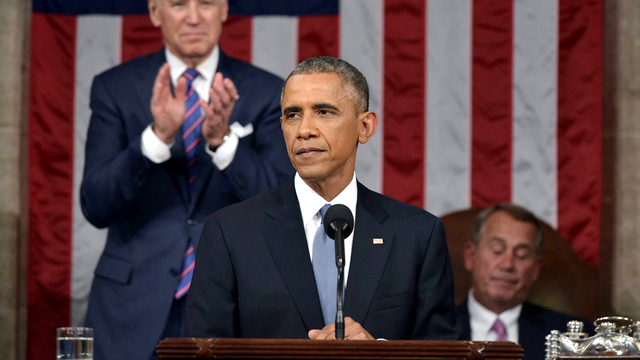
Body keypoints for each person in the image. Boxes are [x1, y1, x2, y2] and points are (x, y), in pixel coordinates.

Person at [185, 56, 460, 341]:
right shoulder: (230, 233)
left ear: (365, 127)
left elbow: (441, 350)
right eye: (292, 115)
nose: (304, 130)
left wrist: (379, 354)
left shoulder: (417, 235)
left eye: (324, 112)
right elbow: (203, 350)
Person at [79, 0, 293, 358]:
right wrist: (155, 139)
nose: (194, 17)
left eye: (206, 3)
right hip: (131, 309)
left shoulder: (268, 91)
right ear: (154, 12)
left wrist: (224, 142)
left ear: (224, 10)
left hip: (234, 304)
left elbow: (285, 207)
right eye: (179, 4)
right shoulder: (114, 88)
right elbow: (96, 205)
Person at [456, 203, 593, 360]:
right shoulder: (430, 330)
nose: (507, 264)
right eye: (497, 250)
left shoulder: (577, 340)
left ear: (536, 269)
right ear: (471, 256)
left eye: (521, 255)